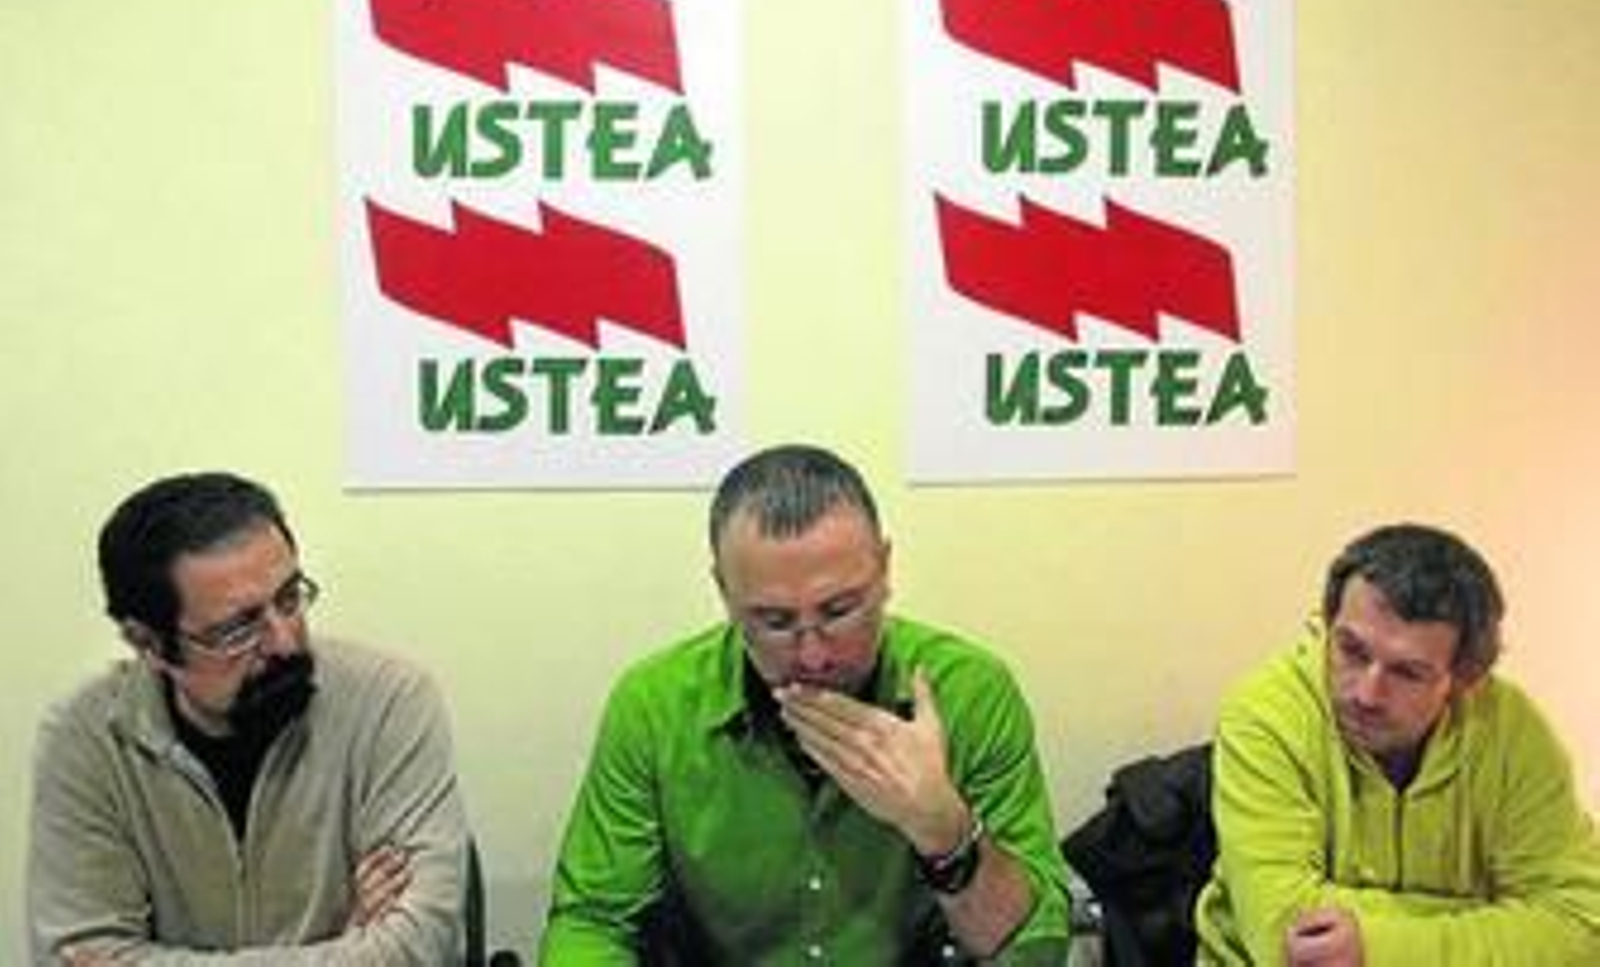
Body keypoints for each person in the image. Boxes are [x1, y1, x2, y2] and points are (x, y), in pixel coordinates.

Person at [540, 443, 1072, 964]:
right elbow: (594, 920)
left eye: (840, 610)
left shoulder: (968, 693)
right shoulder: (655, 706)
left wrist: (944, 831)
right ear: (724, 592)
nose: (814, 655)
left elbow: (1036, 946)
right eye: (774, 622)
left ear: (884, 570)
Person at [28, 472, 469, 964]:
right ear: (148, 643)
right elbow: (74, 952)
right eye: (238, 629)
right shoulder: (87, 738)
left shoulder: (389, 703)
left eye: (289, 599)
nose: (284, 641)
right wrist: (349, 948)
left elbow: (419, 947)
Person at [1195, 522, 1600, 965]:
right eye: (1351, 650)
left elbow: (1581, 923)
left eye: (1407, 672)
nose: (1366, 694)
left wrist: (1375, 947)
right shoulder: (1265, 715)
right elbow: (1287, 940)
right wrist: (1500, 920)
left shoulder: (1514, 732)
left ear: (1464, 682)